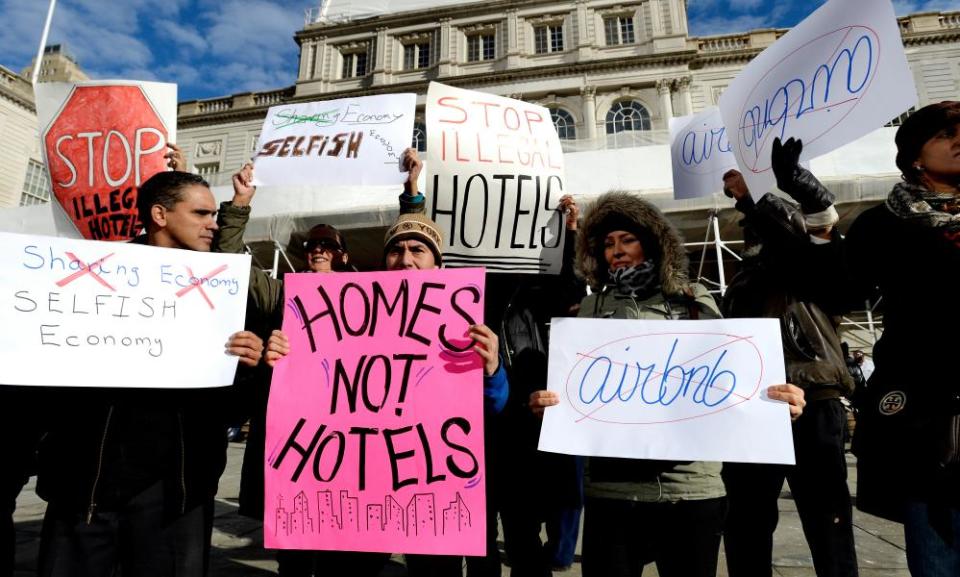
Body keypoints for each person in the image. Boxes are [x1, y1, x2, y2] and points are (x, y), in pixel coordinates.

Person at [528, 190, 805, 577]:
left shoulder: (697, 302)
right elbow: (576, 391)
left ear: (654, 244)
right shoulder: (589, 310)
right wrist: (550, 404)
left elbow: (732, 378)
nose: (617, 250)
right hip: (613, 493)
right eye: (608, 243)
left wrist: (776, 404)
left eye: (627, 240)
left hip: (691, 489)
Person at [35, 170, 264, 577]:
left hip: (176, 495)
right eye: (201, 213)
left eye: (214, 214)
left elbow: (230, 412)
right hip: (86, 489)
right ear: (159, 214)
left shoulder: (223, 290)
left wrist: (249, 368)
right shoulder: (91, 277)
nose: (213, 223)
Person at [719, 147, 858, 577]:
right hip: (754, 403)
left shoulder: (810, 265)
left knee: (828, 523)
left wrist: (761, 194)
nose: (754, 237)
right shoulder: (744, 280)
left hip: (813, 398)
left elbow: (816, 226)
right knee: (745, 522)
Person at [844, 101, 960, 576]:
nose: (959, 140)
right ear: (915, 155)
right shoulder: (882, 224)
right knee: (938, 562)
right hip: (927, 421)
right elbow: (840, 289)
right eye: (945, 134)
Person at [493, 195, 585, 577]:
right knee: (520, 531)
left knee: (565, 505)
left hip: (555, 416)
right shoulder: (491, 291)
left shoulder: (552, 292)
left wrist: (570, 235)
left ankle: (558, 555)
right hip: (509, 418)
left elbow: (570, 287)